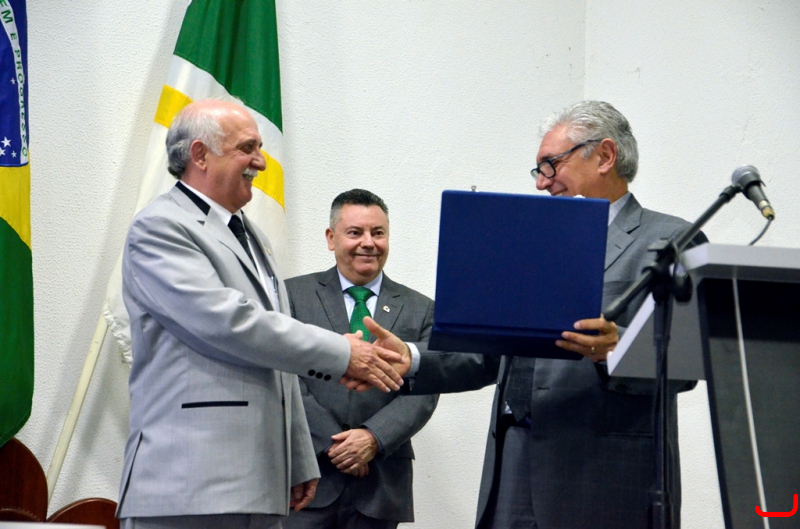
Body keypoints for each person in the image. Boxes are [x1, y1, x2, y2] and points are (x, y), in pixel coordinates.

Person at [362, 101, 706, 528]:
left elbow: (684, 367)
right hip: (512, 462)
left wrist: (616, 349)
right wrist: (413, 359)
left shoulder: (672, 240)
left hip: (604, 476)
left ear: (604, 155)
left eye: (551, 165)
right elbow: (492, 353)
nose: (542, 183)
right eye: (538, 171)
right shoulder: (533, 239)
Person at [116, 99, 406, 529]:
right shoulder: (160, 227)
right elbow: (229, 324)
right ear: (200, 154)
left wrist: (296, 458)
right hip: (189, 481)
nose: (262, 162)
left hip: (259, 481)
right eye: (247, 148)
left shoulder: (250, 235)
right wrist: (343, 354)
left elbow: (277, 363)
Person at [283, 189, 438, 529]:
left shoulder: (422, 308)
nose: (368, 243)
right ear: (331, 238)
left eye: (378, 233)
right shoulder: (291, 296)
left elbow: (426, 390)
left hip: (380, 482)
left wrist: (372, 438)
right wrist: (334, 443)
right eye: (355, 232)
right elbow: (284, 376)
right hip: (307, 478)